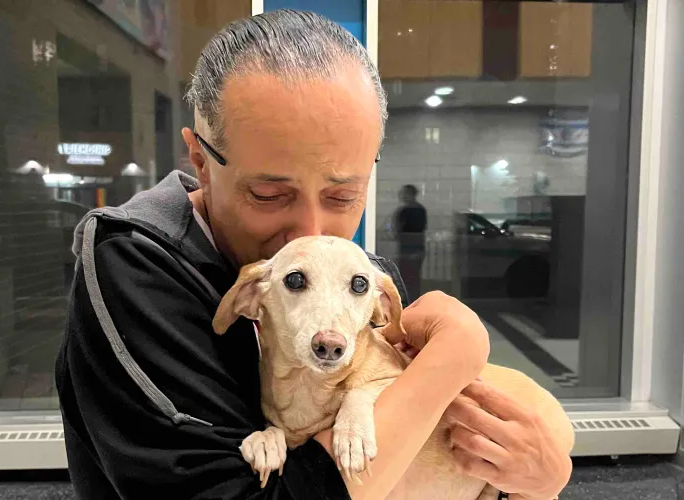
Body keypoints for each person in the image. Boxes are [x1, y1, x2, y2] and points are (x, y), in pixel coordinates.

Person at [56, 10, 572, 500]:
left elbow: (413, 471)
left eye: (342, 196)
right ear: (201, 161)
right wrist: (453, 357)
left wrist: (531, 482)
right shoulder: (136, 266)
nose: (310, 232)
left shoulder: (364, 277)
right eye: (268, 194)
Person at [393, 184, 427, 300]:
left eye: (405, 193)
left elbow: (399, 230)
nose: (402, 196)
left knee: (407, 275)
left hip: (409, 248)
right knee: (412, 276)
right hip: (414, 248)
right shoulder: (419, 209)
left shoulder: (407, 211)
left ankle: (408, 298)